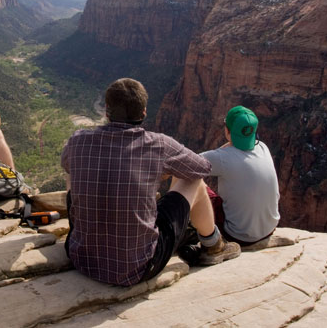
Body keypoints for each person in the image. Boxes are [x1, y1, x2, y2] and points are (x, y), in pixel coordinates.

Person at [61, 78, 240, 287]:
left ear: (107, 110)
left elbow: (67, 165)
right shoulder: (159, 145)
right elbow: (202, 168)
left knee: (72, 169)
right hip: (137, 268)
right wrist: (162, 170)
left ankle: (88, 231)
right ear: (143, 112)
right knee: (193, 179)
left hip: (81, 258)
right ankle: (213, 245)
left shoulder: (78, 140)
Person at [198, 105, 280, 247]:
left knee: (194, 181)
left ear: (227, 130)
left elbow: (187, 163)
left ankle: (210, 244)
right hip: (268, 229)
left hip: (238, 236)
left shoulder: (222, 158)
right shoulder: (263, 147)